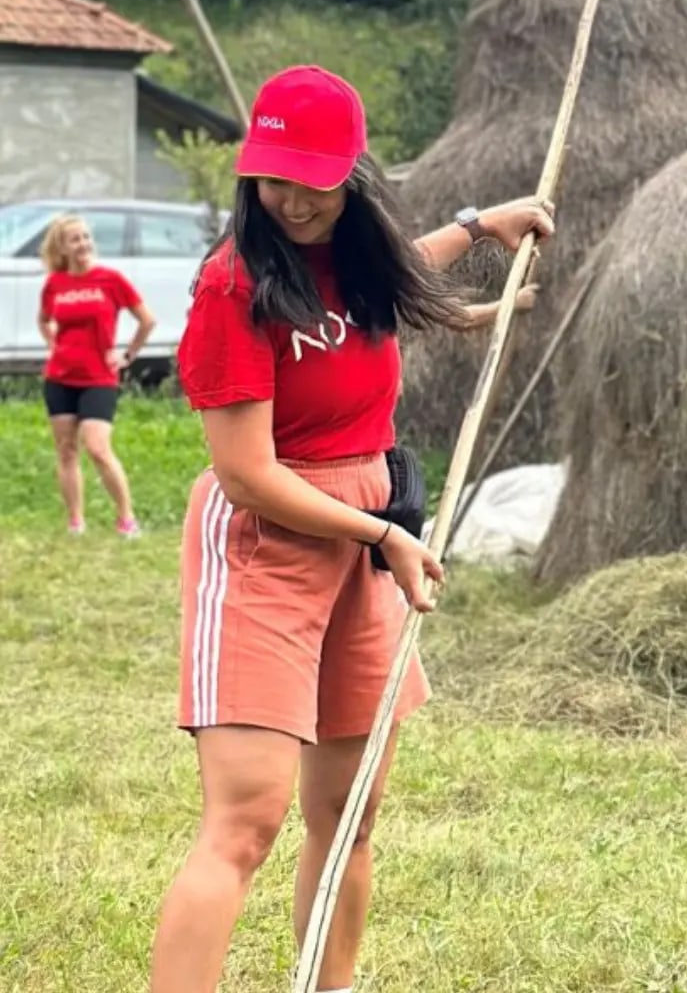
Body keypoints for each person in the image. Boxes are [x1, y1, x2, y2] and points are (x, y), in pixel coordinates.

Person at [148, 64, 555, 993]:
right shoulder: (233, 284)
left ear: (351, 175)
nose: (290, 199)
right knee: (246, 822)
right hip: (269, 547)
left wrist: (484, 227)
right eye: (273, 176)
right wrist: (380, 537)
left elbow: (402, 265)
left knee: (351, 816)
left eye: (313, 179)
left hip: (367, 540)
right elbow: (246, 475)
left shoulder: (359, 257)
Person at [37, 215, 156, 537]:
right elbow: (44, 320)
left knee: (97, 448)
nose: (83, 244)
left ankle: (127, 519)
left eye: (86, 237)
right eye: (75, 239)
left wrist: (128, 355)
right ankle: (76, 521)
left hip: (98, 378)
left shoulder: (110, 279)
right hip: (59, 378)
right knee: (66, 449)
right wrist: (53, 346)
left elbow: (147, 320)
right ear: (62, 247)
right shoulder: (55, 284)